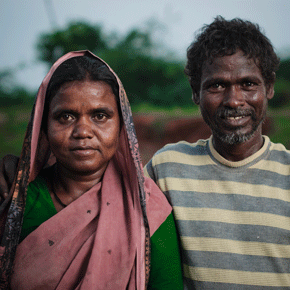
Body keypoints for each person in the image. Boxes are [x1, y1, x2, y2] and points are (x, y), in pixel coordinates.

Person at [0, 51, 183, 289]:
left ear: (122, 128)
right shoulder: (15, 200)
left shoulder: (149, 210)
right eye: (65, 116)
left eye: (100, 115)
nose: (83, 131)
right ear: (43, 127)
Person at [145, 16, 290, 289]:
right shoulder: (166, 169)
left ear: (268, 87)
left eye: (248, 84)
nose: (234, 100)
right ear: (195, 93)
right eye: (217, 85)